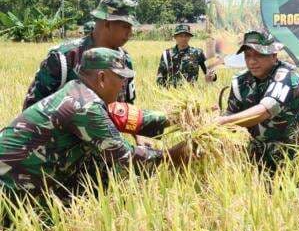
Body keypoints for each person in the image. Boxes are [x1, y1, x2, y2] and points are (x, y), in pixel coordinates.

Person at [0, 48, 196, 208]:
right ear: (102, 77)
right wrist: (173, 155)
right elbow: (126, 160)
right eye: (121, 78)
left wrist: (182, 117)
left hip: (27, 177)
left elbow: (132, 118)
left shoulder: (78, 91)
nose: (123, 86)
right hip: (10, 189)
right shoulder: (85, 106)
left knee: (97, 171)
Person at [215, 30, 299, 174]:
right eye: (248, 55)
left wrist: (222, 121)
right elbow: (232, 119)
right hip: (259, 157)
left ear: (274, 55)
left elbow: (264, 111)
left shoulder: (287, 75)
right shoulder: (240, 82)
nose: (252, 61)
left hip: (296, 155)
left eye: (259, 55)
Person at [23, 0, 137, 110]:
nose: (130, 33)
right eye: (126, 26)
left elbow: (127, 109)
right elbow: (31, 109)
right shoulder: (63, 58)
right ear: (107, 24)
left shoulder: (123, 59)